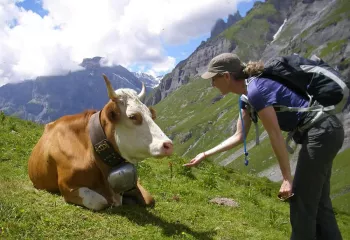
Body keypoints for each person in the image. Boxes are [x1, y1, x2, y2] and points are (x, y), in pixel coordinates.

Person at [184, 53, 344, 240]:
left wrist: (286, 178)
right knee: (319, 203)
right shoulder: (246, 98)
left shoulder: (256, 91)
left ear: (226, 76)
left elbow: (275, 135)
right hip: (325, 131)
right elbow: (239, 136)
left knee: (301, 202)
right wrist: (204, 154)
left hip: (323, 131)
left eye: (214, 78)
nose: (212, 84)